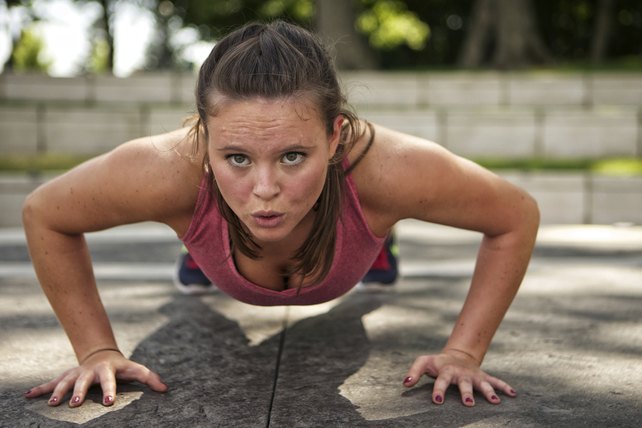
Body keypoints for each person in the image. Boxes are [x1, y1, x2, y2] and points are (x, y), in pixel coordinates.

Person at [22, 20, 539, 409]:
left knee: (338, 226)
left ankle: (379, 242)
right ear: (204, 140)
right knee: (226, 221)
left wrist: (464, 353)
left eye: (293, 156)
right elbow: (45, 213)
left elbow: (516, 215)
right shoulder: (164, 168)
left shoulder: (391, 170)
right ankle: (200, 251)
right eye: (237, 158)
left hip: (355, 232)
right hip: (212, 231)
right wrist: (94, 352)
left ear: (335, 137)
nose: (265, 190)